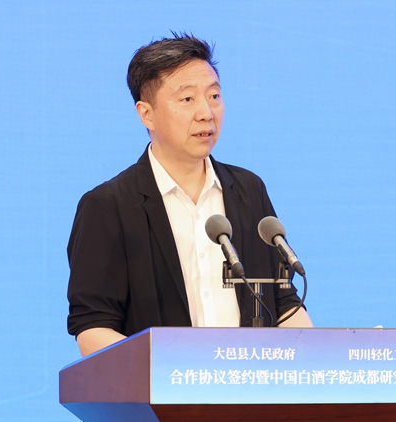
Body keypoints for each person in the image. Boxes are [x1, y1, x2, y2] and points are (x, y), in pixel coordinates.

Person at [66, 33, 312, 357]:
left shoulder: (249, 189)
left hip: (250, 385)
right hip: (164, 388)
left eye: (214, 96)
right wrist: (168, 371)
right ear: (146, 114)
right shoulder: (108, 207)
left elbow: (283, 302)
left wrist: (312, 359)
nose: (206, 113)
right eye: (187, 99)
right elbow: (92, 328)